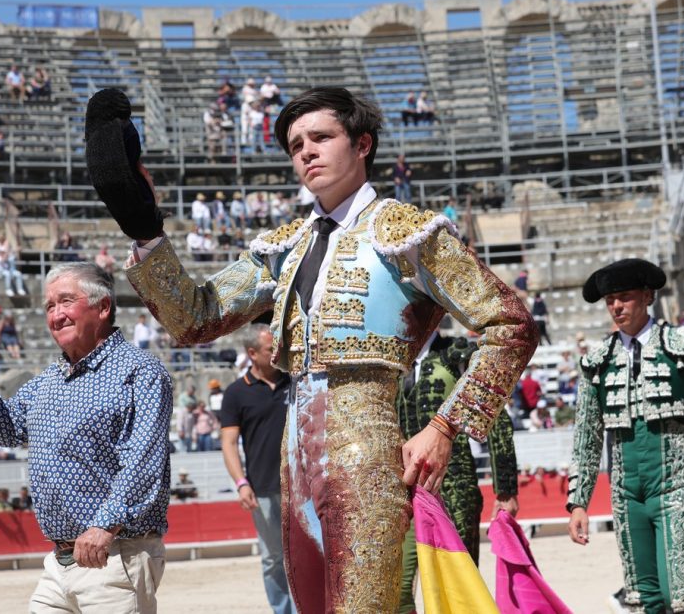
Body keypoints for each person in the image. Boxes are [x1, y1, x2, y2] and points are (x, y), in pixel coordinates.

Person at [97, 85, 536, 612]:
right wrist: (144, 230)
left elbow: (510, 323)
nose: (306, 151)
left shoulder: (408, 233)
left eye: (321, 137)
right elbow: (196, 318)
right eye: (295, 143)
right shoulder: (283, 248)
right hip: (295, 455)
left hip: (370, 449)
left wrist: (445, 426)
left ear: (363, 144)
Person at [0, 262, 171, 612]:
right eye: (50, 306)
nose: (56, 315)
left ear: (103, 306)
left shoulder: (139, 371)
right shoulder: (49, 379)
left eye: (66, 301)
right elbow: (7, 429)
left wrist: (104, 526)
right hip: (59, 560)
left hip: (114, 553)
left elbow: (144, 460)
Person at [567, 258, 684, 613]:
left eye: (624, 297)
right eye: (609, 300)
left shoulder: (682, 346)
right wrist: (578, 501)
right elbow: (586, 436)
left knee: (682, 599)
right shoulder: (597, 361)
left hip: (676, 484)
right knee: (642, 600)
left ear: (648, 296)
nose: (616, 307)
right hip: (625, 493)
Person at [396, 333, 518, 613]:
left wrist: (506, 489)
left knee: (456, 584)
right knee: (398, 588)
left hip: (454, 486)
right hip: (405, 489)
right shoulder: (393, 360)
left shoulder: (459, 353)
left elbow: (496, 418)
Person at [220, 324, 293, 614]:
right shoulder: (236, 393)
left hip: (302, 486)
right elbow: (228, 443)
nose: (277, 352)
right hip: (263, 487)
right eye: (269, 349)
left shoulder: (296, 381)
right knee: (274, 557)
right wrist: (241, 482)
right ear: (252, 353)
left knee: (310, 553)